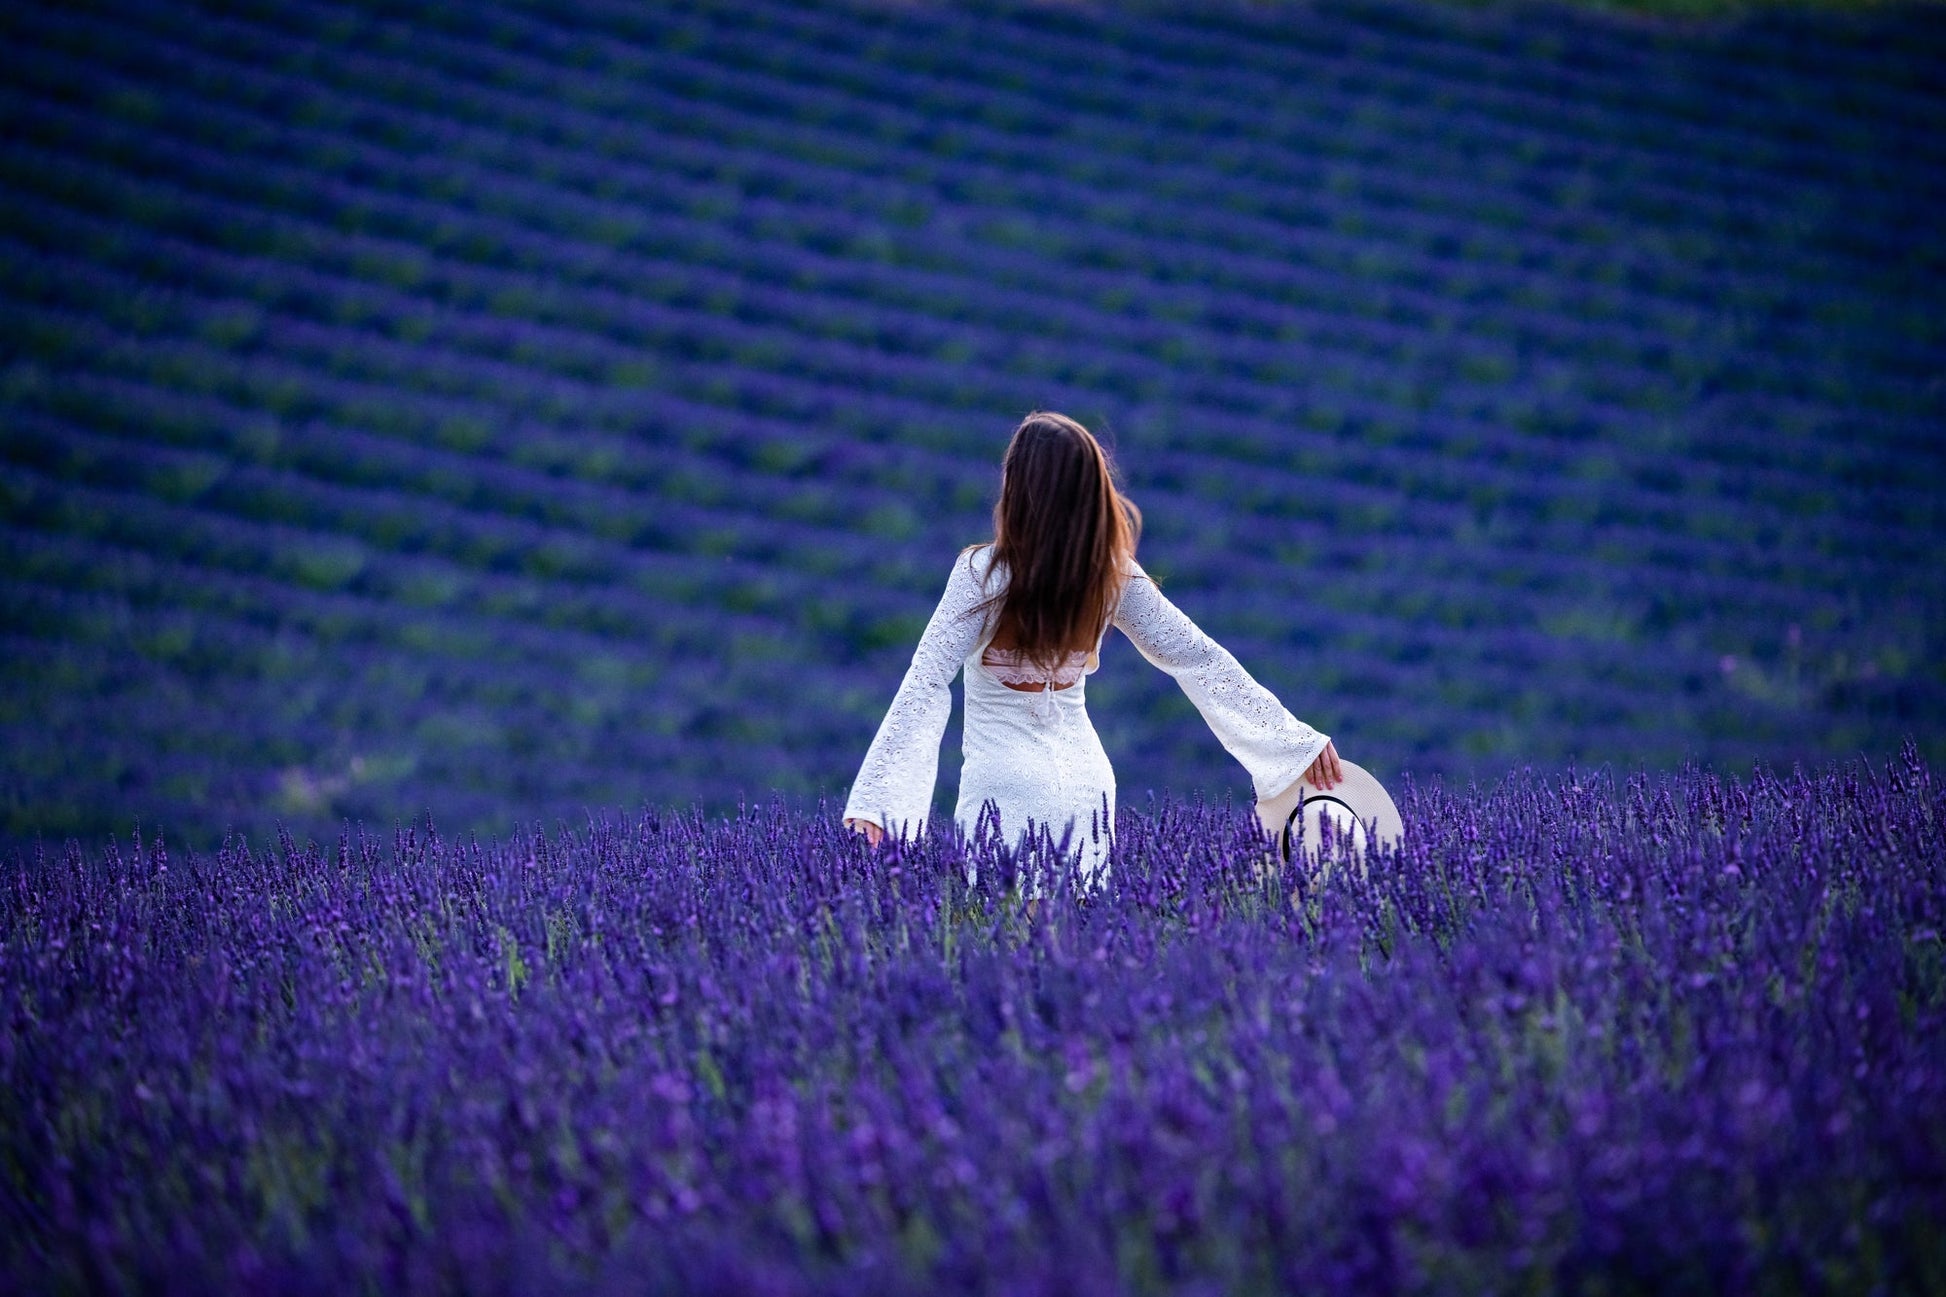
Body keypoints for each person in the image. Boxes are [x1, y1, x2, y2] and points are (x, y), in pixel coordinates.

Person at [842, 411, 1342, 887]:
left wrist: (880, 802)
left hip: (1005, 789)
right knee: (1076, 951)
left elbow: (926, 679)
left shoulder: (982, 574)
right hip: (1088, 787)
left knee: (1013, 954)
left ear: (1018, 491)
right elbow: (1196, 656)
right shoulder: (1111, 575)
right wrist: (1292, 742)